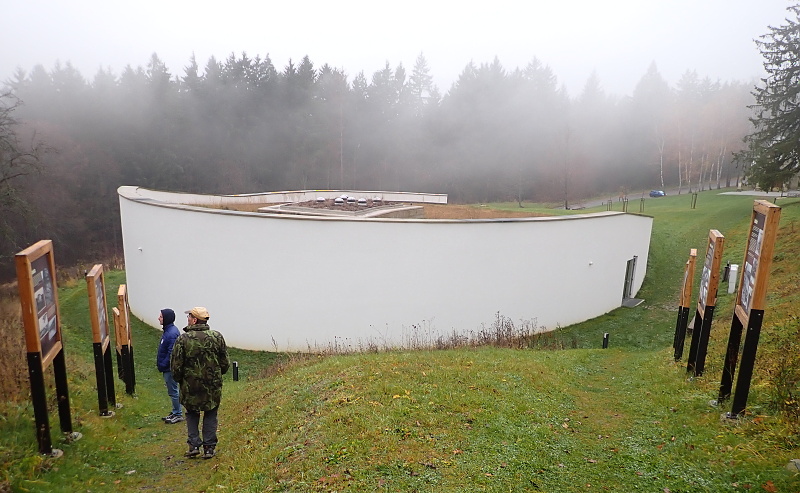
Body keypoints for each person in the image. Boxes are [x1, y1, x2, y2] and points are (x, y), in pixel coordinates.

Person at [171, 306, 229, 459]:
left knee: (191, 413)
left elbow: (176, 365)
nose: (188, 319)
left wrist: (180, 380)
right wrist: (216, 376)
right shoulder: (217, 337)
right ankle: (209, 448)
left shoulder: (183, 339)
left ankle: (194, 445)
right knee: (210, 413)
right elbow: (225, 363)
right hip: (212, 386)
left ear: (194, 320)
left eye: (189, 317)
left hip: (190, 386)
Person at [157, 309, 183, 424]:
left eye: (161, 317)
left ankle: (178, 413)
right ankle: (175, 411)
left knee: (173, 391)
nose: (159, 318)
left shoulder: (171, 333)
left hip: (169, 368)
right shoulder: (168, 331)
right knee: (172, 390)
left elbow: (171, 352)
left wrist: (163, 364)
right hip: (167, 367)